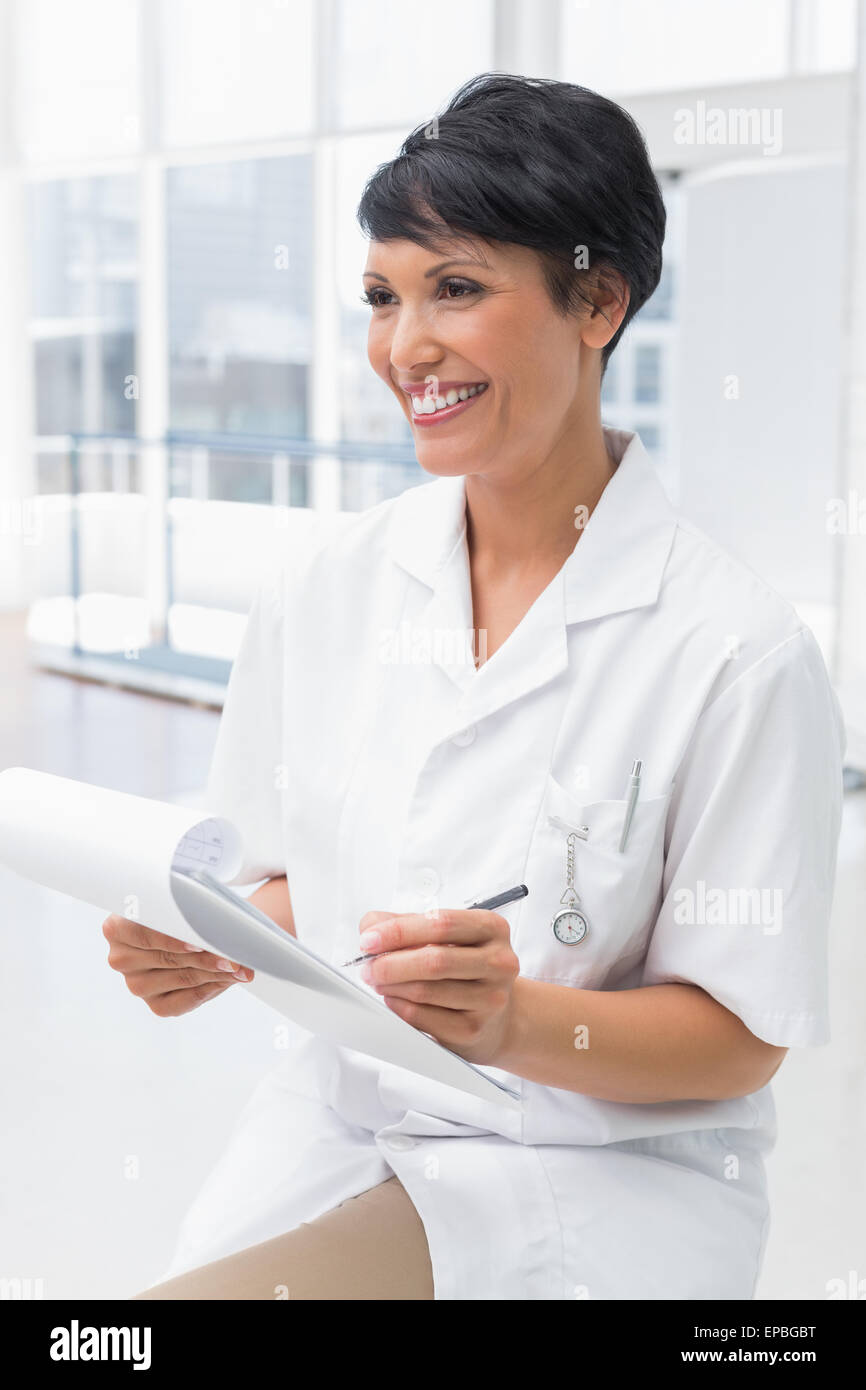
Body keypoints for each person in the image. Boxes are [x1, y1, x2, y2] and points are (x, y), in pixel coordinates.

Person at [104, 72, 845, 1301]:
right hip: (341, 1128)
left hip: (596, 1174)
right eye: (381, 297)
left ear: (596, 299)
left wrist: (515, 1022)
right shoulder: (325, 588)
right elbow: (297, 878)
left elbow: (739, 1036)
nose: (405, 347)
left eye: (455, 288)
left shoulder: (732, 650)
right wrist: (214, 940)